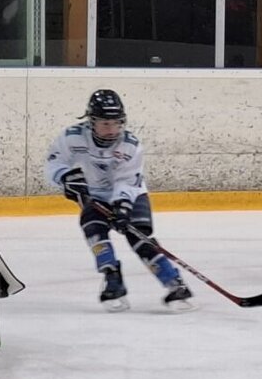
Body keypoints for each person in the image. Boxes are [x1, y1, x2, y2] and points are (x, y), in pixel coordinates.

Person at [46, 89, 193, 311]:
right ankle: (112, 280)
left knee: (140, 238)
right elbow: (54, 164)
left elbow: (127, 180)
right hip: (95, 196)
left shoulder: (130, 145)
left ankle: (174, 282)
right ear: (91, 121)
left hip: (132, 193)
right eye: (105, 124)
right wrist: (66, 179)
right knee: (94, 231)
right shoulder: (72, 137)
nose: (112, 130)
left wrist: (122, 208)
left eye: (116, 123)